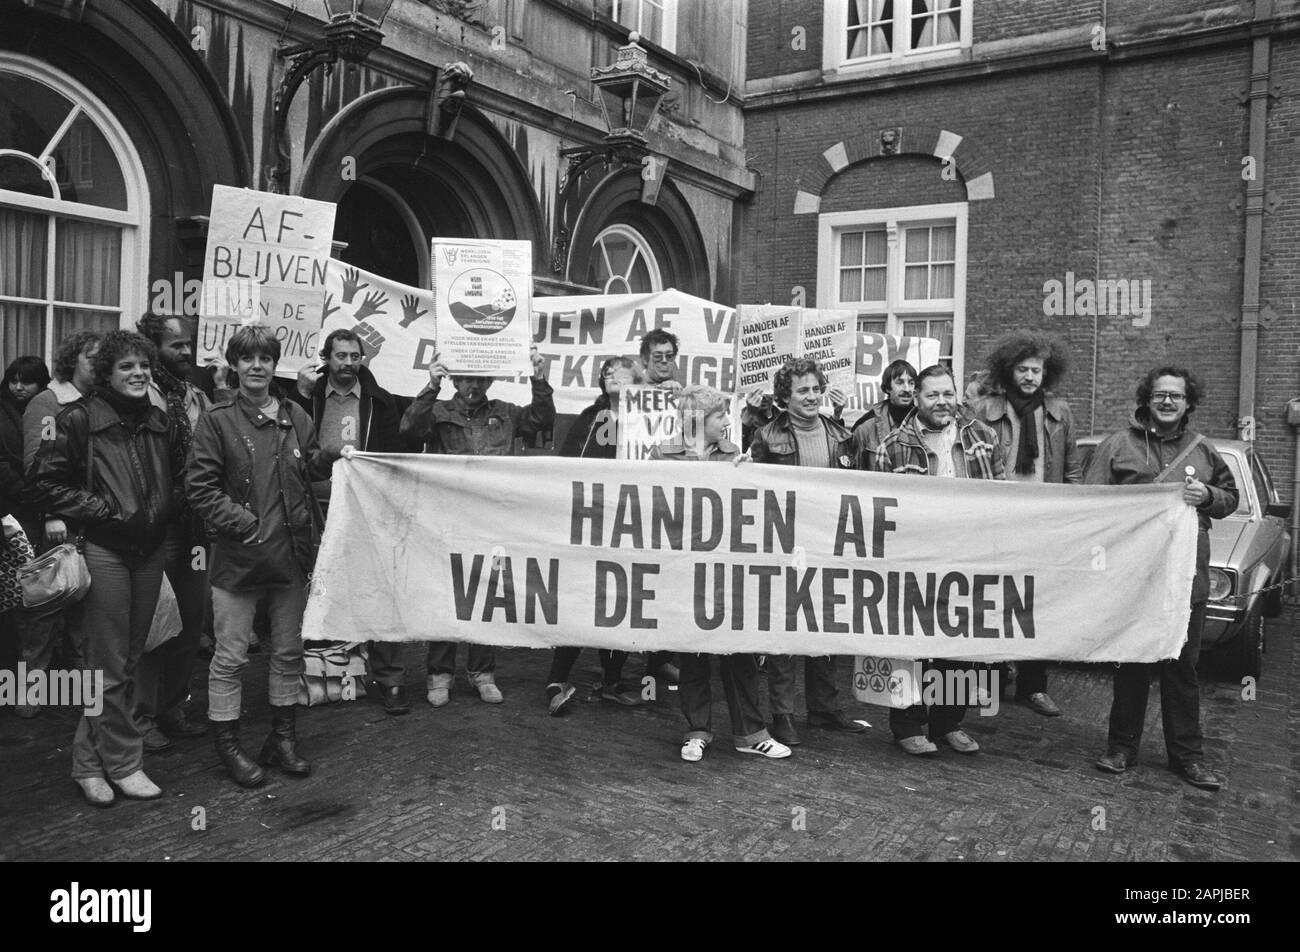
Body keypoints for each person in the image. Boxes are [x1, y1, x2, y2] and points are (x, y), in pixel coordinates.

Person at [28, 331, 186, 806]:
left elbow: (175, 478)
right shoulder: (74, 419)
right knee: (108, 664)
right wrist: (106, 511)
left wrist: (162, 511)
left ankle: (88, 763)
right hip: (105, 549)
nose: (137, 374)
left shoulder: (159, 420)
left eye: (143, 365)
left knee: (127, 661)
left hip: (150, 550)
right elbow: (45, 483)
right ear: (106, 375)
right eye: (125, 367)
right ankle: (125, 764)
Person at [187, 326, 337, 788]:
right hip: (239, 559)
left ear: (276, 364)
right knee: (230, 656)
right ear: (234, 364)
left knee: (288, 652)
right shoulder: (217, 420)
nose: (257, 367)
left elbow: (306, 468)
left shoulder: (295, 414)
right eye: (248, 359)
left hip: (290, 558)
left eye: (265, 359)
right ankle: (229, 747)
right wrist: (246, 525)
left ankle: (281, 739)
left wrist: (328, 459)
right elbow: (199, 487)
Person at [1085, 366, 1236, 792]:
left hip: (1187, 576)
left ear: (1188, 403)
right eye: (1160, 395)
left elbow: (1230, 499)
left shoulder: (1204, 450)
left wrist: (1208, 496)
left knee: (1182, 669)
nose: (1167, 402)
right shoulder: (1118, 445)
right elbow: (1092, 503)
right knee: (1132, 662)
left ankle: (1188, 757)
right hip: (1135, 574)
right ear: (1146, 399)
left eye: (1176, 396)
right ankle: (1121, 749)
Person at [400, 345, 554, 708]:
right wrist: (431, 385)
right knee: (446, 593)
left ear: (491, 378)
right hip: (447, 520)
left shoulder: (506, 413)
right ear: (456, 378)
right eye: (468, 377)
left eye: (482, 377)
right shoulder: (437, 411)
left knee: (486, 595)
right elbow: (408, 430)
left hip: (491, 521)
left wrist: (539, 378)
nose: (475, 384)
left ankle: (482, 673)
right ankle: (440, 674)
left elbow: (543, 420)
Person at [650, 384, 792, 761]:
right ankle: (697, 730)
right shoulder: (661, 455)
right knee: (693, 653)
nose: (728, 422)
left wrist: (748, 476)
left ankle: (751, 733)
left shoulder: (734, 454)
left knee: (739, 653)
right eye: (719, 416)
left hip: (728, 571)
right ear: (697, 420)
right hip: (685, 569)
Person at [872, 363, 1005, 756]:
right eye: (932, 394)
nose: (942, 401)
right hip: (914, 558)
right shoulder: (892, 445)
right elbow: (878, 509)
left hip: (967, 555)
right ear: (917, 398)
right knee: (911, 642)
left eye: (948, 393)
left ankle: (949, 722)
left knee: (959, 639)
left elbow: (1002, 491)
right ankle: (908, 725)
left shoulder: (983, 437)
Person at [290, 328, 414, 715]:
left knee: (378, 587)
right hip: (314, 505)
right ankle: (316, 677)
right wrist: (301, 395)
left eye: (354, 356)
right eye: (340, 355)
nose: (347, 363)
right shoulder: (305, 397)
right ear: (326, 357)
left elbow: (396, 457)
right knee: (314, 590)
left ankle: (390, 678)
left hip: (365, 507)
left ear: (363, 359)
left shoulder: (381, 401)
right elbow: (288, 439)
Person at [749, 357, 863, 747]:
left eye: (816, 389)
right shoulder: (766, 436)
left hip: (829, 543)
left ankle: (825, 708)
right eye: (803, 390)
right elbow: (755, 492)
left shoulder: (841, 435)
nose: (812, 396)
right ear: (785, 397)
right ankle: (783, 713)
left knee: (826, 625)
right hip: (787, 544)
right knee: (786, 630)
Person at [974, 330, 1081, 717]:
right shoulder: (985, 410)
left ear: (1046, 373)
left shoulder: (1060, 412)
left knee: (1037, 603)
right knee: (992, 599)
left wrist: (1072, 515)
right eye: (1023, 369)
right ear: (1009, 370)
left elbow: (1070, 469)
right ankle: (989, 682)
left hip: (1043, 523)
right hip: (998, 521)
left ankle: (1034, 686)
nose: (1030, 377)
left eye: (1037, 370)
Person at [132, 313, 217, 750]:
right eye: (177, 345)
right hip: (158, 527)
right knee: (155, 624)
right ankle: (141, 718)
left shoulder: (196, 395)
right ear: (153, 347)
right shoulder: (142, 394)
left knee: (188, 620)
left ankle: (172, 708)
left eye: (189, 345)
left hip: (196, 526)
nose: (186, 352)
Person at [546, 356, 647, 715]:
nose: (611, 375)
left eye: (620, 371)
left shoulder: (652, 420)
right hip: (594, 521)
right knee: (583, 596)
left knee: (623, 600)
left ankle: (613, 681)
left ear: (638, 379)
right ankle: (557, 678)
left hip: (634, 522)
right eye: (606, 372)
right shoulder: (591, 418)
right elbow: (567, 468)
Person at [3, 355, 63, 717]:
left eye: (26, 380)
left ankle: (47, 682)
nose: (18, 387)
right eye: (13, 379)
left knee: (52, 594)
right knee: (27, 600)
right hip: (14, 516)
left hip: (40, 513)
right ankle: (26, 684)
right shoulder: (7, 412)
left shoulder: (48, 410)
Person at [850, 358, 917, 466]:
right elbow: (853, 474)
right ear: (887, 388)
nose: (907, 389)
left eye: (911, 383)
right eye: (900, 383)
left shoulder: (922, 422)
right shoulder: (866, 428)